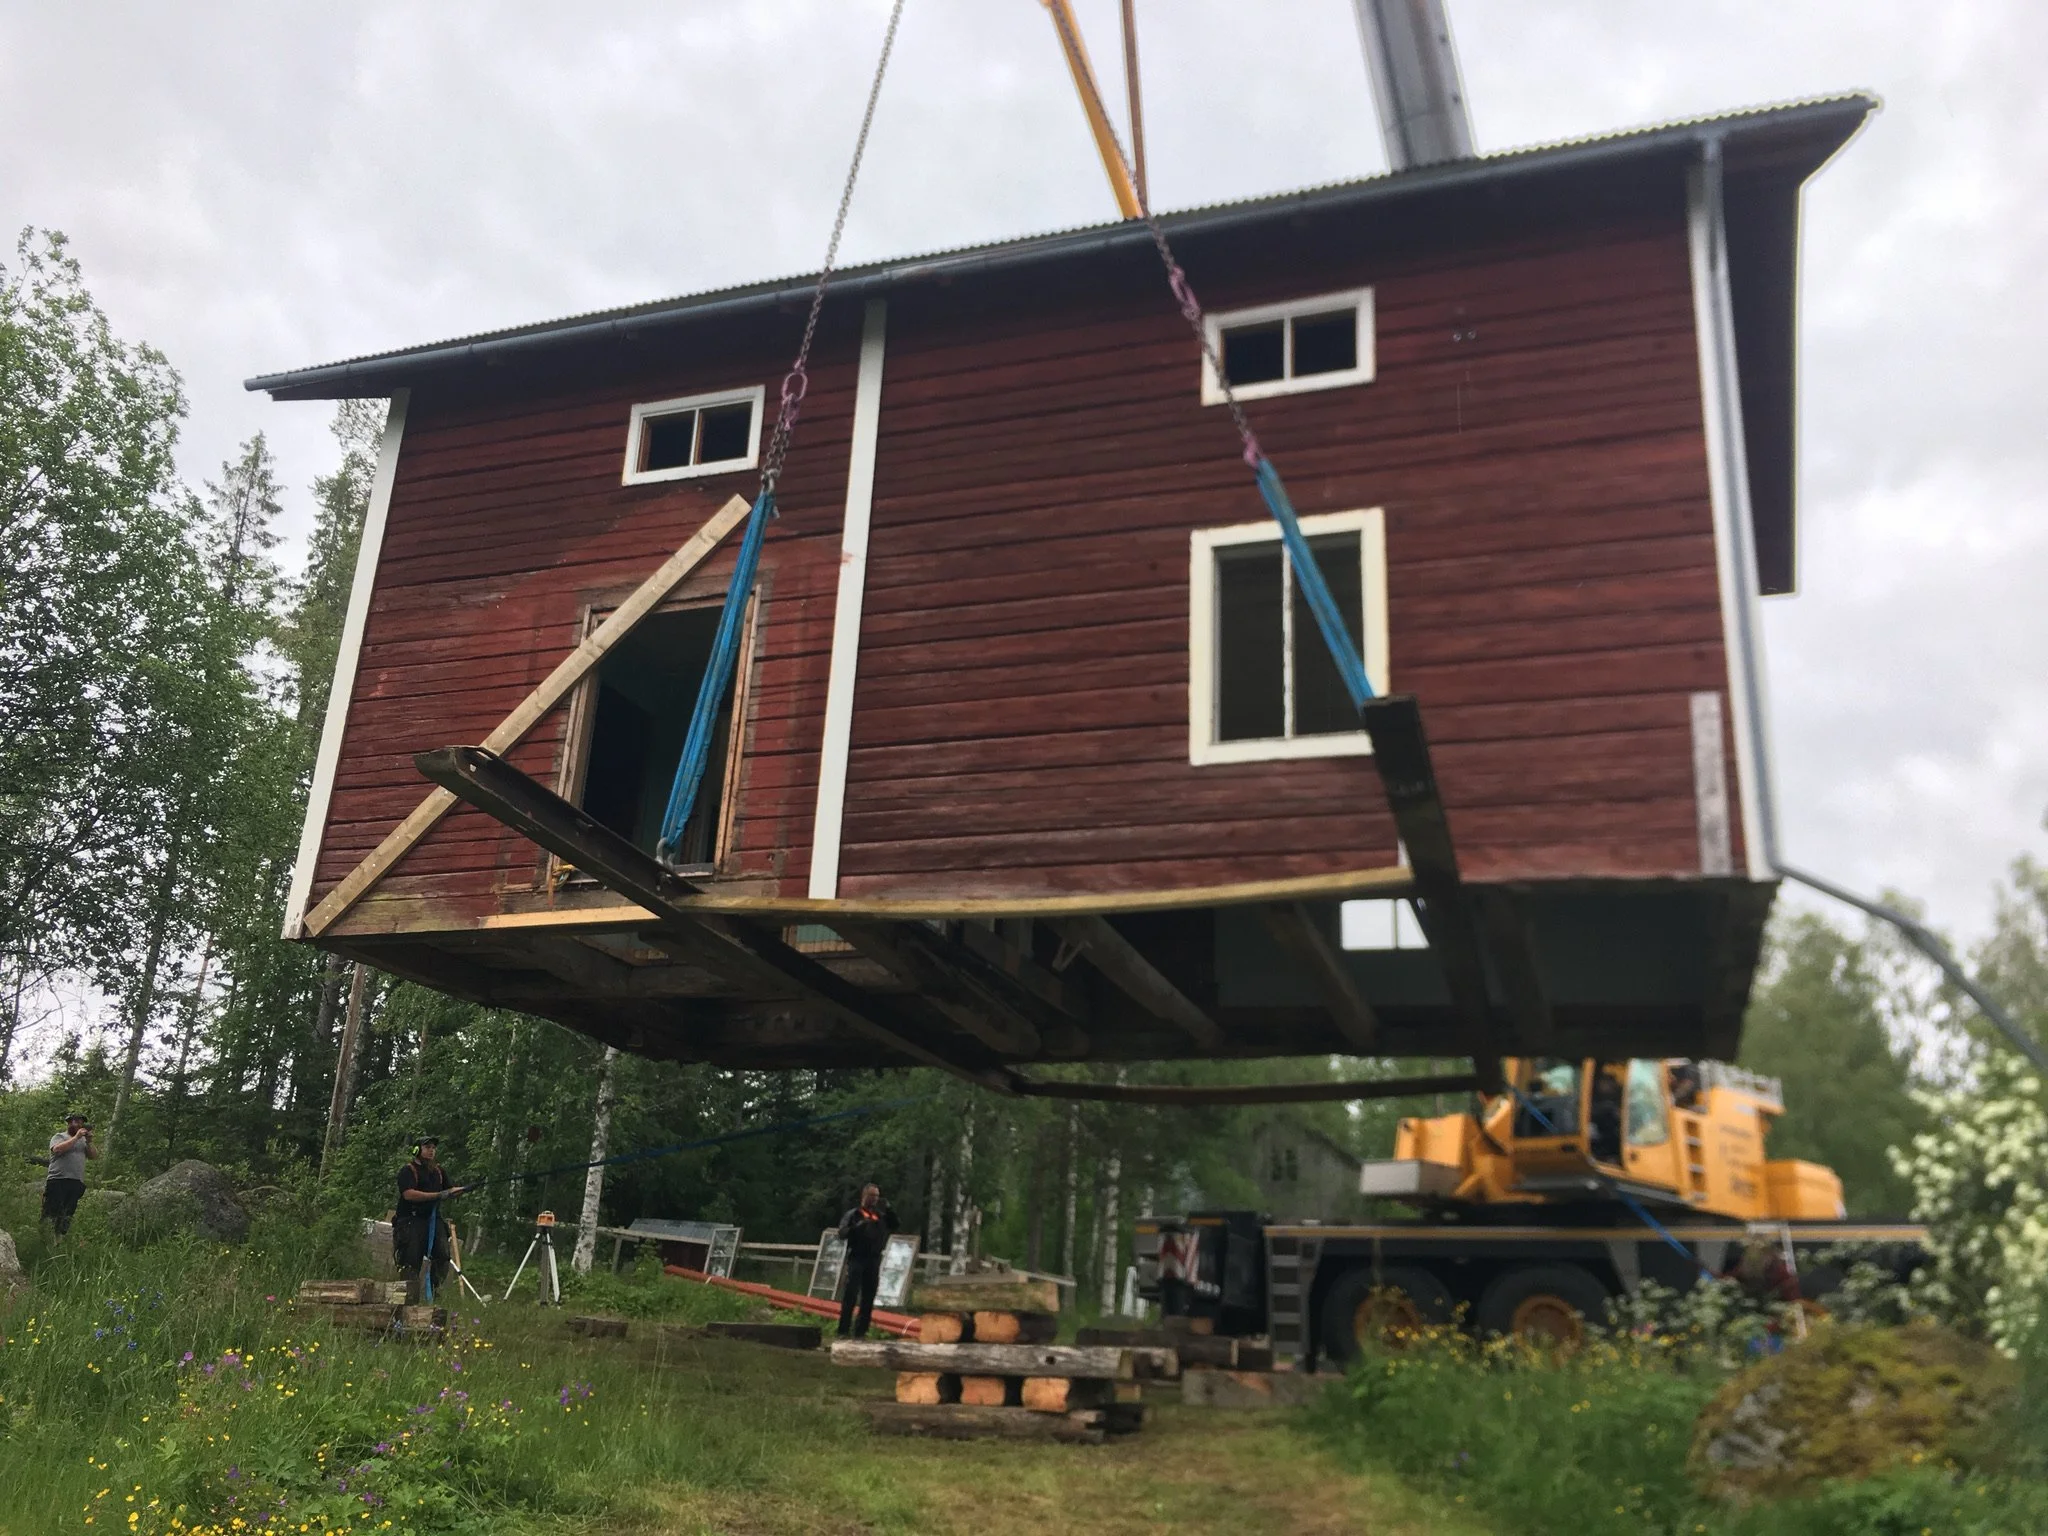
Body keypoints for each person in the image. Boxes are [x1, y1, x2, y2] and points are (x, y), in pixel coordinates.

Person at [392, 1135, 468, 1304]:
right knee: (410, 1262)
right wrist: (438, 1195)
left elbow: (450, 1190)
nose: (431, 1150)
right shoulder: (408, 1171)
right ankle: (406, 1300)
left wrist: (462, 1190)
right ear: (417, 1150)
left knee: (443, 1256)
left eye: (433, 1147)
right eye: (427, 1147)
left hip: (433, 1221)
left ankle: (434, 1293)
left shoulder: (439, 1172)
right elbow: (408, 1194)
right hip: (410, 1222)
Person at [835, 1182, 898, 1339]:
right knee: (851, 1295)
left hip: (874, 1259)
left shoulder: (880, 1216)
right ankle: (843, 1330)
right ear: (864, 1196)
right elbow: (842, 1233)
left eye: (877, 1196)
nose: (875, 1199)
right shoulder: (854, 1214)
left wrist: (889, 1209)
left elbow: (895, 1225)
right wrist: (857, 1228)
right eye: (872, 1196)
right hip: (857, 1258)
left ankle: (861, 1331)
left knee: (868, 1297)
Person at [42, 1112, 97, 1237]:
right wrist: (76, 1137)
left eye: (79, 1122)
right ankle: (46, 1237)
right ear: (68, 1123)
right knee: (52, 1211)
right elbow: (57, 1149)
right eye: (73, 1121)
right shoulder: (59, 1136)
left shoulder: (83, 1141)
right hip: (58, 1180)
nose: (76, 1124)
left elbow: (93, 1156)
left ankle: (60, 1239)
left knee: (67, 1214)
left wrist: (88, 1142)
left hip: (75, 1182)